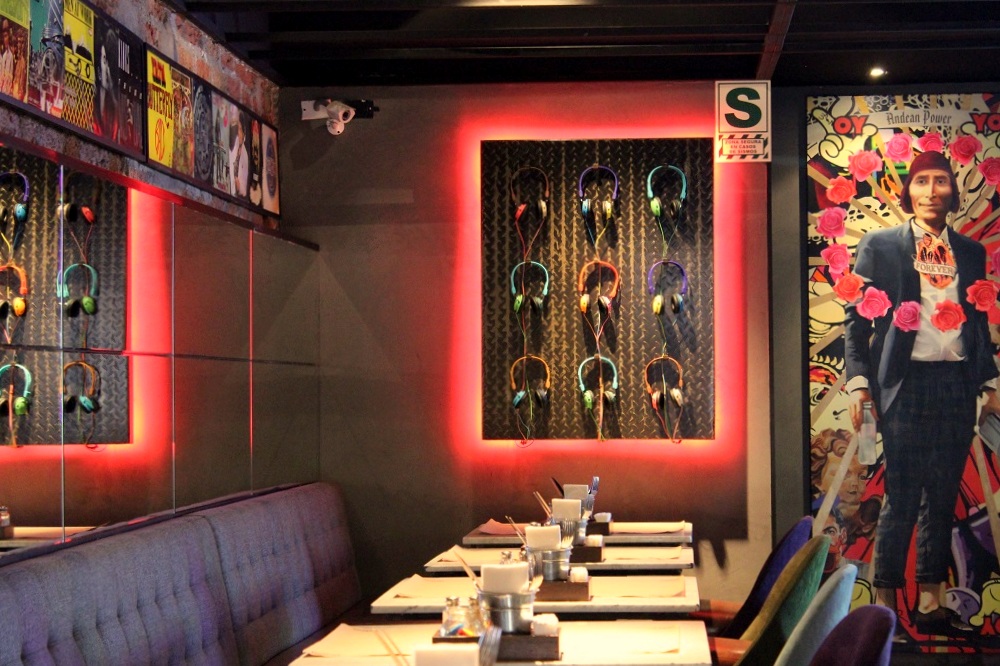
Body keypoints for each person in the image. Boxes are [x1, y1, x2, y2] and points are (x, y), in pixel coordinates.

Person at [845, 149, 1000, 636]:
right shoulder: (880, 245)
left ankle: (931, 603)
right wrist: (859, 384)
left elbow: (978, 324)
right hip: (904, 384)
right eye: (922, 181)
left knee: (943, 494)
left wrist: (989, 383)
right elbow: (855, 322)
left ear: (954, 192)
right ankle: (885, 606)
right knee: (903, 494)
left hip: (956, 384)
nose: (932, 191)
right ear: (907, 191)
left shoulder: (970, 252)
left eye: (941, 181)